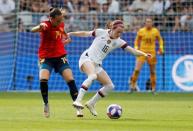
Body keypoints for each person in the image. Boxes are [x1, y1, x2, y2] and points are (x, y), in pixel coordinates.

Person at [68, 20, 151, 116]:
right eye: (118, 32)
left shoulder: (119, 42)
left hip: (96, 64)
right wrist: (71, 33)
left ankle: (91, 103)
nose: (119, 34)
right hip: (86, 58)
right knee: (92, 76)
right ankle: (78, 101)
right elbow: (85, 33)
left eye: (121, 32)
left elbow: (132, 51)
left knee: (110, 86)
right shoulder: (101, 32)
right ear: (112, 29)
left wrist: (144, 54)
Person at [31, 7, 82, 118]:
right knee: (43, 79)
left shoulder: (61, 25)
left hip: (60, 57)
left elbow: (62, 36)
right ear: (51, 19)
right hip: (46, 58)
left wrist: (67, 40)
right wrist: (39, 27)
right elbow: (32, 30)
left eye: (61, 20)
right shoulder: (45, 25)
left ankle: (78, 107)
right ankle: (46, 103)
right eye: (58, 21)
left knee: (70, 79)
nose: (60, 22)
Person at [129, 18, 164, 94]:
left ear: (152, 23)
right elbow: (136, 40)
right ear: (145, 23)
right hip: (142, 53)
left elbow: (160, 40)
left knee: (152, 71)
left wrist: (161, 48)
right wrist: (136, 47)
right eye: (147, 22)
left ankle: (153, 89)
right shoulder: (141, 31)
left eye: (150, 22)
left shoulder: (155, 31)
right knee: (137, 70)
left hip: (152, 53)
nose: (148, 23)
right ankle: (132, 86)